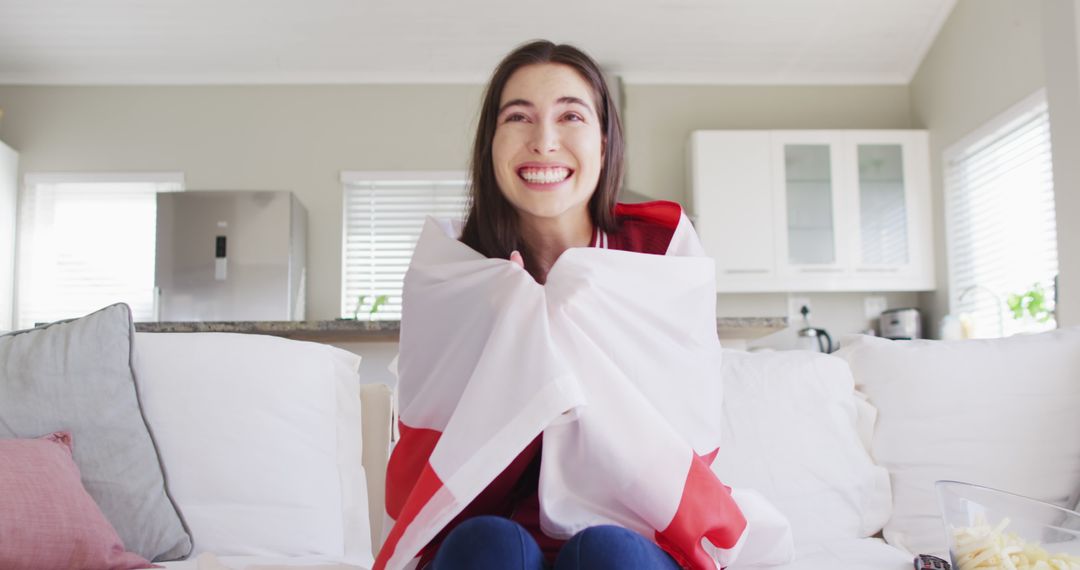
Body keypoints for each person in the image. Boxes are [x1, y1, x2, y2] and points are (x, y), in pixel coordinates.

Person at [378, 40, 756, 570]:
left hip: (636, 528)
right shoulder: (456, 267)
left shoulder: (660, 252)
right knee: (488, 547)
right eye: (518, 118)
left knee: (608, 552)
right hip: (491, 525)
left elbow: (685, 432)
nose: (544, 142)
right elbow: (428, 463)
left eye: (570, 116)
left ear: (604, 141)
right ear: (491, 143)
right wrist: (507, 330)